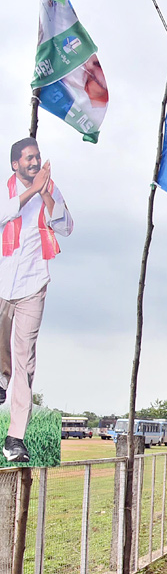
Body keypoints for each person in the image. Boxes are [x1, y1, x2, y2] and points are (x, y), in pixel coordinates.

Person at [0, 138, 73, 462]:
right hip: (2, 283)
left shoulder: (50, 189)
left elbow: (67, 226)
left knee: (25, 362)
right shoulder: (6, 189)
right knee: (3, 358)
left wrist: (45, 193)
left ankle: (15, 438)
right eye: (28, 158)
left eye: (37, 157)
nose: (34, 162)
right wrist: (31, 191)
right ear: (15, 164)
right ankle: (2, 378)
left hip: (33, 284)